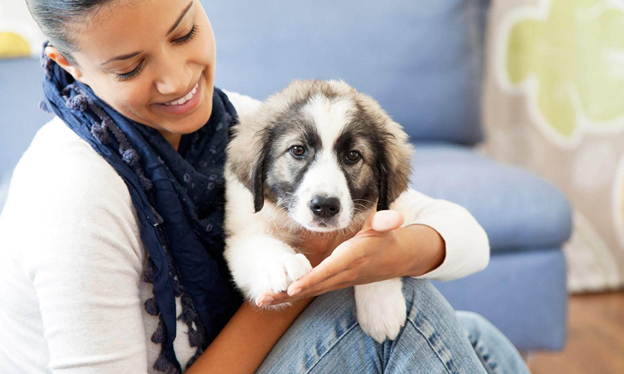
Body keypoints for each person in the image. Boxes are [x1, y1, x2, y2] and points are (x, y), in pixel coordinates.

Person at [0, 0, 530, 373]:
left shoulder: (247, 123)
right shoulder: (73, 192)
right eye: (131, 66)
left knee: (473, 336)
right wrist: (311, 271)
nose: (177, 79)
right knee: (411, 316)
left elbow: (466, 239)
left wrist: (389, 253)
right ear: (66, 64)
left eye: (183, 32)